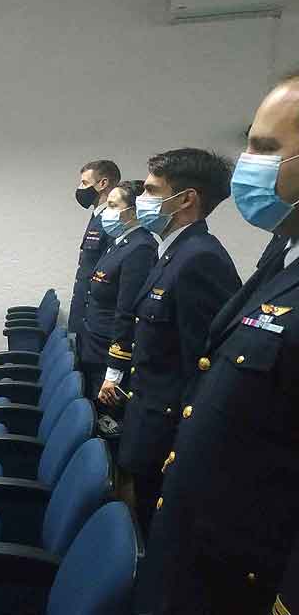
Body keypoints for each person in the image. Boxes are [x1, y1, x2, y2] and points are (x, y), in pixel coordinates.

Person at [141, 75, 299, 615]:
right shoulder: (282, 255)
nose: (246, 163)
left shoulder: (208, 257)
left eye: (265, 149)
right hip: (200, 536)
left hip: (245, 567)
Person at [98, 148, 241, 539]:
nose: (141, 199)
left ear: (186, 199)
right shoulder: (173, 252)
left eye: (149, 190)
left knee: (153, 524)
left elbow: (204, 364)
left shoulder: (200, 259)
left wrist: (183, 444)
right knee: (137, 516)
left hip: (166, 428)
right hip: (146, 410)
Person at [79, 180, 157, 403]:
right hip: (93, 343)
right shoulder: (120, 242)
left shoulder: (140, 247)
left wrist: (115, 370)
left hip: (107, 352)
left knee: (104, 420)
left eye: (113, 206)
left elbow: (127, 311)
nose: (107, 212)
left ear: (131, 212)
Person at [69, 160, 121, 337]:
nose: (80, 189)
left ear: (103, 184)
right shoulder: (97, 216)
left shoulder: (111, 221)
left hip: (96, 318)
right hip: (84, 312)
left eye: (84, 183)